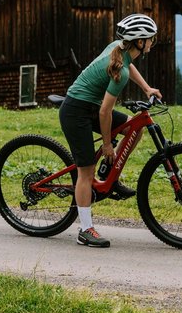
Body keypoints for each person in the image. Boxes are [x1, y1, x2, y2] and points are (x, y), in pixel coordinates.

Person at [59, 14, 162, 248]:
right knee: (85, 173)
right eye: (150, 40)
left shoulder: (120, 49)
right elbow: (105, 112)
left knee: (134, 129)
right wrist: (107, 145)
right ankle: (85, 230)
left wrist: (147, 88)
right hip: (76, 111)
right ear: (139, 42)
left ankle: (108, 176)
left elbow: (129, 65)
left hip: (90, 107)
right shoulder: (119, 71)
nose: (152, 43)